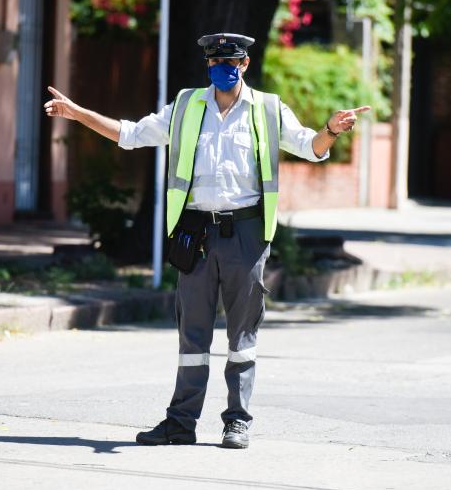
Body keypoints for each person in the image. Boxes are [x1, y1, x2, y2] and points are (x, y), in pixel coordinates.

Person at [45, 32, 370, 449]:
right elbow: (130, 134)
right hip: (196, 232)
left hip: (247, 233)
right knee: (192, 336)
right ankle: (180, 423)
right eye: (214, 62)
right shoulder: (185, 106)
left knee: (242, 335)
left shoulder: (268, 109)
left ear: (245, 65)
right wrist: (78, 114)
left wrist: (331, 129)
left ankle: (237, 421)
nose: (221, 69)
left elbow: (310, 146)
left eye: (229, 62)